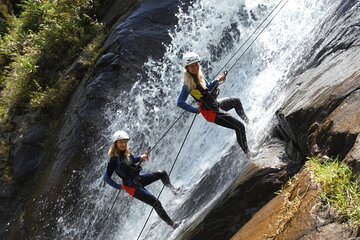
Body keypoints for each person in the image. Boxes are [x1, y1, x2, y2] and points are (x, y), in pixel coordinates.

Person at [103, 130, 179, 229]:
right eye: (120, 142)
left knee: (162, 173)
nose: (123, 144)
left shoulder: (126, 153)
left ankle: (174, 191)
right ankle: (173, 224)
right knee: (155, 203)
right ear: (115, 143)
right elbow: (106, 177)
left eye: (125, 142)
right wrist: (118, 186)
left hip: (138, 179)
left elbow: (132, 160)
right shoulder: (113, 159)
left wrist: (141, 157)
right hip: (131, 187)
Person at [177, 52, 249, 154]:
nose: (195, 67)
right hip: (210, 112)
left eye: (196, 64)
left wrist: (218, 79)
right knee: (239, 127)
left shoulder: (199, 75)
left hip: (214, 104)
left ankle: (249, 123)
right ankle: (249, 154)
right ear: (187, 68)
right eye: (192, 66)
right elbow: (180, 102)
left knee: (236, 101)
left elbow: (209, 87)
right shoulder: (187, 84)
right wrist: (195, 110)